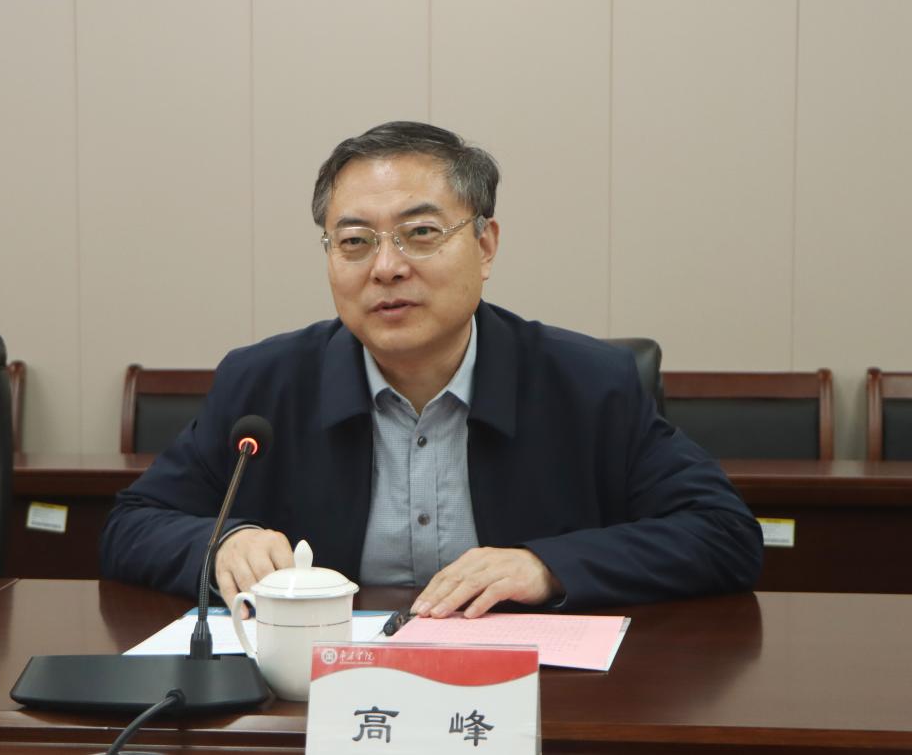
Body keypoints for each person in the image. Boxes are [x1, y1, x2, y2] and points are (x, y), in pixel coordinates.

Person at [100, 121, 762, 618]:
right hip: (318, 699)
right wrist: (222, 543)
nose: (386, 267)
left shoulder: (589, 384)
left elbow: (724, 534)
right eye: (355, 242)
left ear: (485, 245)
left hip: (531, 698)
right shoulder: (263, 384)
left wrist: (547, 566)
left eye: (420, 234)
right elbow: (132, 524)